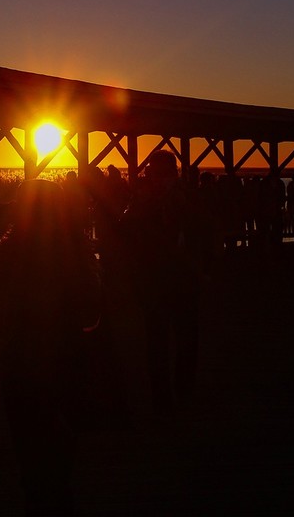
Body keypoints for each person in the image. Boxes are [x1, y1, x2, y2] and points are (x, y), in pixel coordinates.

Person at [0, 179, 101, 514]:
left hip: (19, 358)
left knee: (27, 434)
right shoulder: (72, 250)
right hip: (65, 355)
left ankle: (35, 490)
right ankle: (58, 488)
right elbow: (90, 303)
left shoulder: (7, 252)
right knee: (63, 430)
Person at [122, 150, 199, 413]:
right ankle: (168, 396)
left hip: (173, 281)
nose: (164, 178)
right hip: (163, 281)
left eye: (167, 173)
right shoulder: (147, 201)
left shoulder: (179, 199)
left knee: (173, 339)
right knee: (165, 340)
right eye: (161, 173)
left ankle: (176, 393)